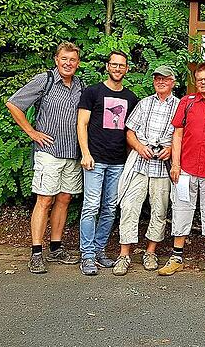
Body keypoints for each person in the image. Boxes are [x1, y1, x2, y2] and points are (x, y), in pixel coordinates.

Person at [6, 42, 84, 274]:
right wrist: (31, 132)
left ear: (78, 63)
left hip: (72, 152)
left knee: (64, 199)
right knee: (45, 200)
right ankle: (37, 252)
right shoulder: (45, 80)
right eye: (64, 59)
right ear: (56, 60)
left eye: (72, 60)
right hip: (48, 152)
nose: (68, 63)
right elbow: (13, 103)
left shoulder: (80, 85)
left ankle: (56, 247)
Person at [159, 63, 205, 281]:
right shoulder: (187, 103)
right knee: (182, 208)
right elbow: (178, 135)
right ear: (196, 81)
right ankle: (176, 257)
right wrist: (175, 164)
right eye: (200, 79)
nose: (203, 82)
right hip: (186, 168)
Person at [112, 65, 180, 276]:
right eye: (157, 78)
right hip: (140, 163)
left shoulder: (180, 106)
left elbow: (182, 136)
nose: (161, 82)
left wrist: (170, 150)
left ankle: (150, 252)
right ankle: (124, 255)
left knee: (159, 211)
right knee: (129, 207)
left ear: (173, 82)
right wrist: (139, 147)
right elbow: (130, 131)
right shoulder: (144, 103)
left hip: (162, 167)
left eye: (165, 79)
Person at [77, 51, 139, 275]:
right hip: (94, 159)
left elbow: (131, 131)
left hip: (118, 162)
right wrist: (85, 153)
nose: (117, 68)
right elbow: (81, 124)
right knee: (91, 206)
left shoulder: (131, 98)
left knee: (110, 208)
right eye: (114, 64)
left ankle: (99, 249)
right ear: (107, 66)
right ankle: (87, 255)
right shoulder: (92, 92)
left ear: (127, 69)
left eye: (121, 65)